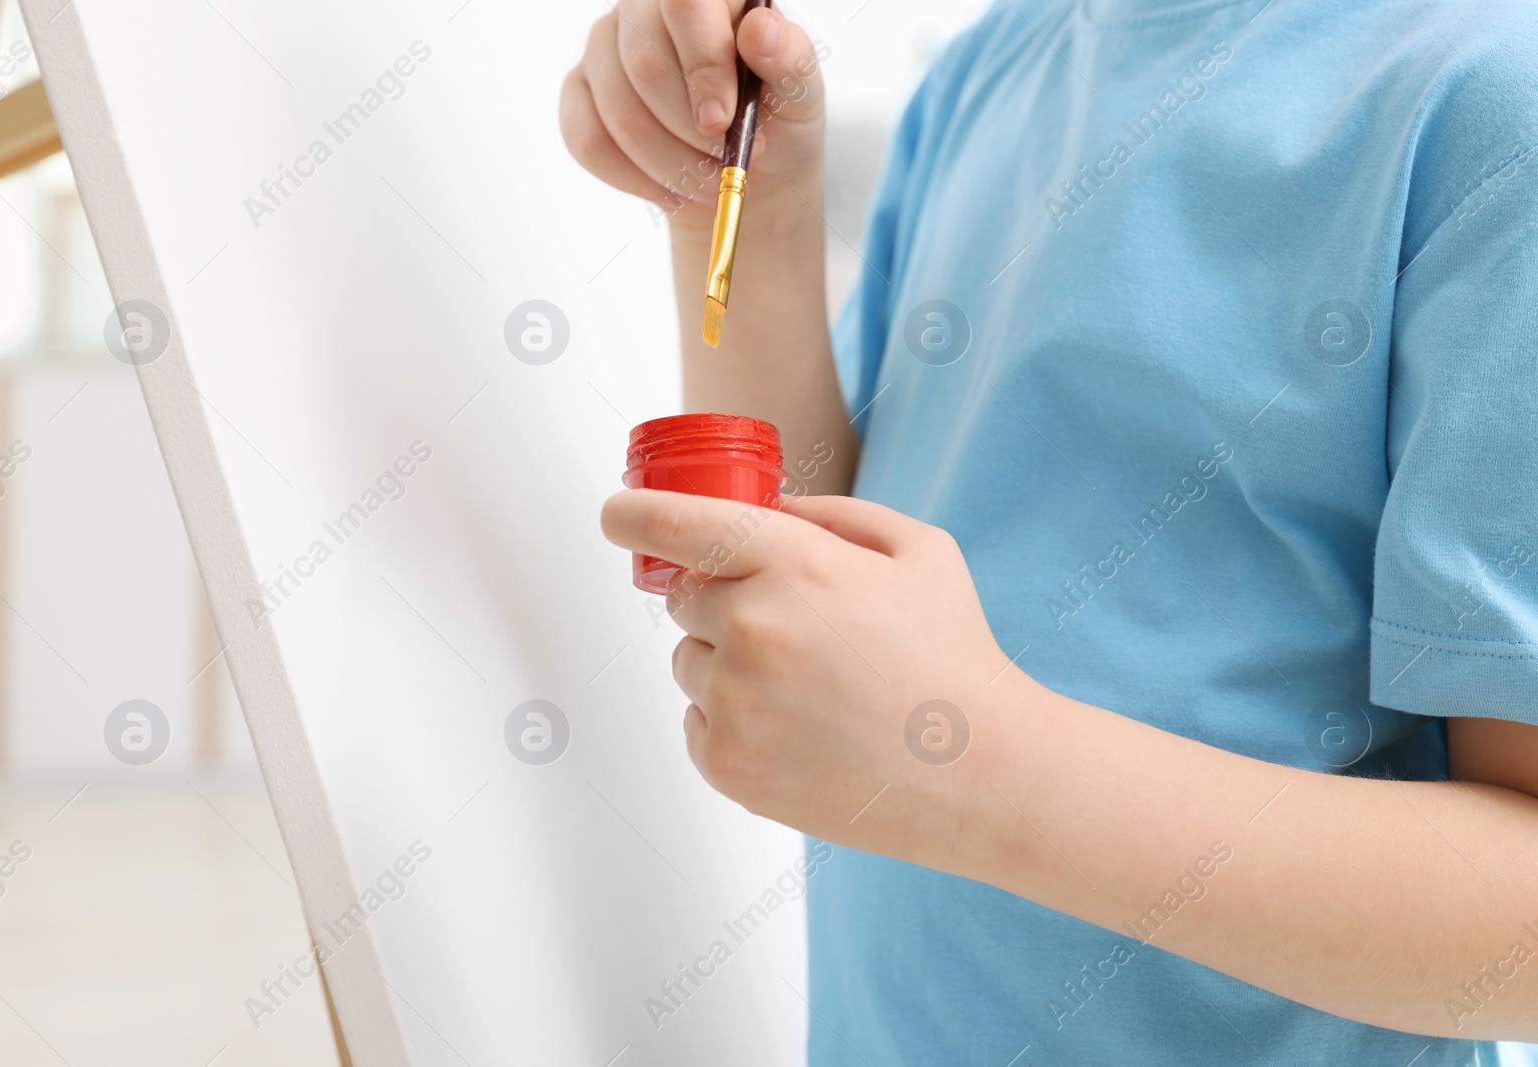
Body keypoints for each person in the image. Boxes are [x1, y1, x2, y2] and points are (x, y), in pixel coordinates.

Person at [560, 0, 1538, 1062]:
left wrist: (972, 762)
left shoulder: (1493, 98)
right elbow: (845, 560)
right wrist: (746, 216)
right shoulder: (991, 64)